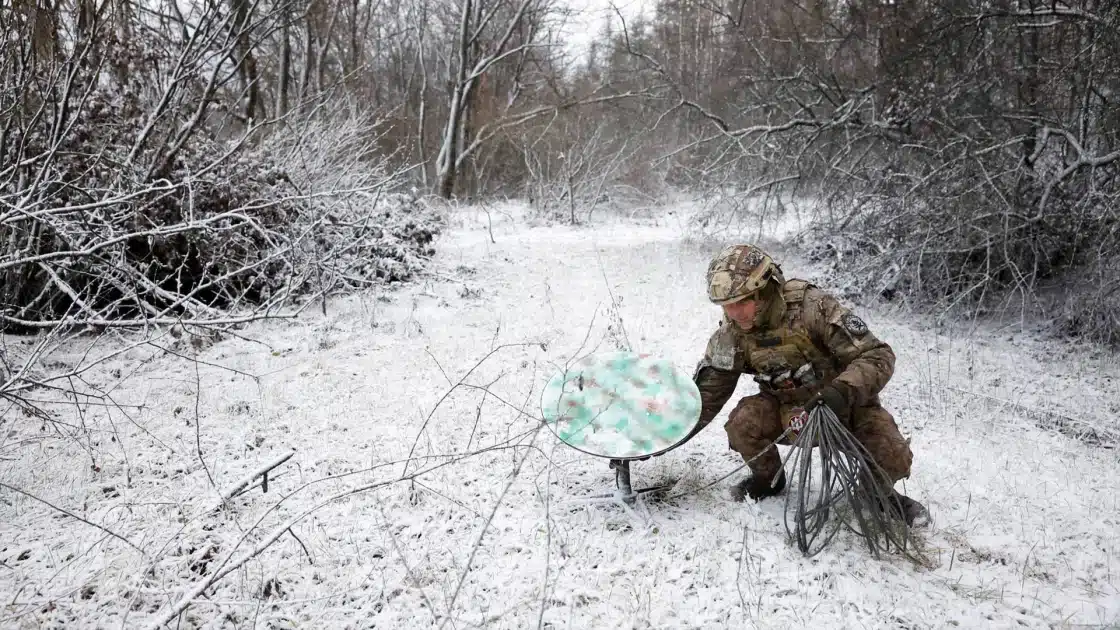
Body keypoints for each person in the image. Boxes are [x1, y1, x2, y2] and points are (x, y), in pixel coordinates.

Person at [692, 244, 929, 526]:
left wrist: (840, 393)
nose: (734, 313)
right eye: (727, 305)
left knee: (892, 453)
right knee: (742, 424)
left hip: (842, 408)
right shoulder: (731, 333)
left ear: (764, 291)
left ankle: (877, 494)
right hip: (786, 412)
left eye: (742, 302)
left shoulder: (812, 308)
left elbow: (877, 355)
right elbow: (708, 394)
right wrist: (662, 437)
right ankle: (768, 480)